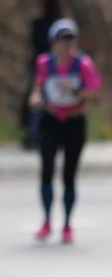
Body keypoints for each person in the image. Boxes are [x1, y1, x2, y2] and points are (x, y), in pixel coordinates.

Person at [28, 18, 102, 243]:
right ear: (53, 42)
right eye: (62, 40)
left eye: (71, 40)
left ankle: (68, 224)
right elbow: (38, 88)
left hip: (74, 122)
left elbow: (95, 94)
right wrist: (36, 99)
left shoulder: (83, 64)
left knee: (69, 174)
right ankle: (47, 220)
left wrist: (76, 90)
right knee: (47, 169)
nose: (66, 45)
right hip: (51, 121)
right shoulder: (44, 63)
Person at [22, 0, 63, 149]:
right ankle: (55, 133)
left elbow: (33, 44)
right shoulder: (59, 25)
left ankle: (33, 133)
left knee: (39, 100)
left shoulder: (38, 23)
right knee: (53, 100)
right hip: (56, 65)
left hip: (39, 64)